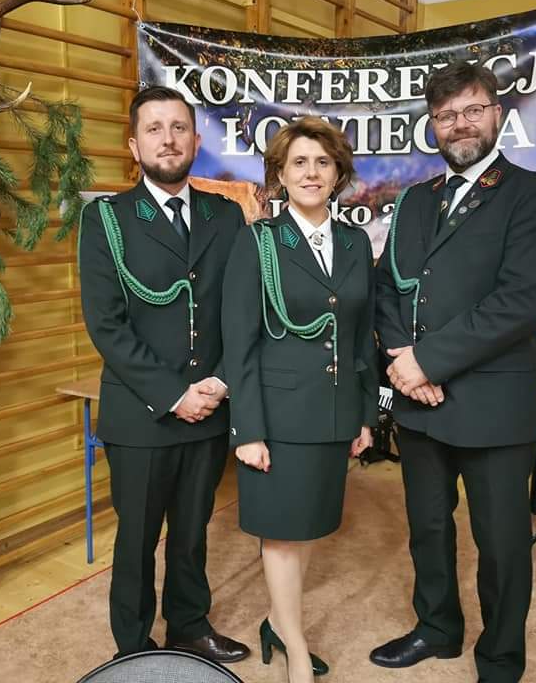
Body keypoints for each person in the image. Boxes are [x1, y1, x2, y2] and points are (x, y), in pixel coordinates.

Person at [370, 61, 536, 682]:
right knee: (428, 528)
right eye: (446, 115)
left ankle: (501, 659)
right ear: (433, 125)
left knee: (501, 544)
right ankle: (438, 629)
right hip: (417, 399)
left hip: (492, 405)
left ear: (497, 115)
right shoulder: (415, 200)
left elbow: (521, 301)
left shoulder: (534, 194)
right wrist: (403, 360)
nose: (460, 124)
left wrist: (427, 360)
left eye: (473, 110)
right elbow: (387, 288)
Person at [78, 85, 249, 663]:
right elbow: (107, 325)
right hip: (143, 414)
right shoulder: (107, 219)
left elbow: (241, 311)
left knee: (194, 530)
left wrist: (219, 382)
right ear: (134, 145)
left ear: (196, 141)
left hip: (211, 404)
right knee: (137, 539)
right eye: (154, 129)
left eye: (178, 128)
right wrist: (175, 394)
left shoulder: (226, 217)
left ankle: (189, 625)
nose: (168, 139)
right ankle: (132, 647)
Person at [222, 116, 378, 683]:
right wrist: (247, 429)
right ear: (280, 175)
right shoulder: (258, 241)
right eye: (299, 163)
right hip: (278, 416)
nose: (312, 173)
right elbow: (239, 342)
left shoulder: (356, 243)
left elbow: (361, 337)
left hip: (335, 412)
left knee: (309, 526)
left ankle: (275, 622)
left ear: (338, 174)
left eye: (323, 162)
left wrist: (366, 415)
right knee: (283, 534)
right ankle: (295, 647)